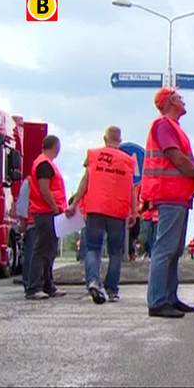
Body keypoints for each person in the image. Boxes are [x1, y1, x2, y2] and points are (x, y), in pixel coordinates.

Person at [141, 87, 194, 318]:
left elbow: (180, 158)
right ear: (169, 102)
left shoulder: (174, 128)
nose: (183, 100)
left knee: (174, 249)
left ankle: (169, 297)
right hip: (169, 195)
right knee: (165, 249)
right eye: (179, 97)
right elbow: (176, 157)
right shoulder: (164, 125)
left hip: (177, 196)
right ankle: (158, 301)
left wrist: (193, 183)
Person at [67, 126, 137, 304]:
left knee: (93, 248)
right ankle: (112, 290)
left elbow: (85, 181)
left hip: (95, 209)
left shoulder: (94, 155)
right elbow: (132, 189)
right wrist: (134, 212)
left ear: (105, 139)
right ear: (119, 141)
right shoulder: (128, 161)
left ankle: (93, 281)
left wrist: (75, 203)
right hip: (117, 211)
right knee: (115, 252)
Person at [25, 135, 67, 300]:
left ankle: (48, 285)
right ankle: (34, 287)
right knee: (42, 250)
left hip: (47, 212)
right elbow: (44, 189)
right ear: (56, 147)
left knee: (49, 250)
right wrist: (55, 207)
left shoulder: (45, 163)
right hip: (45, 212)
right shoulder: (44, 164)